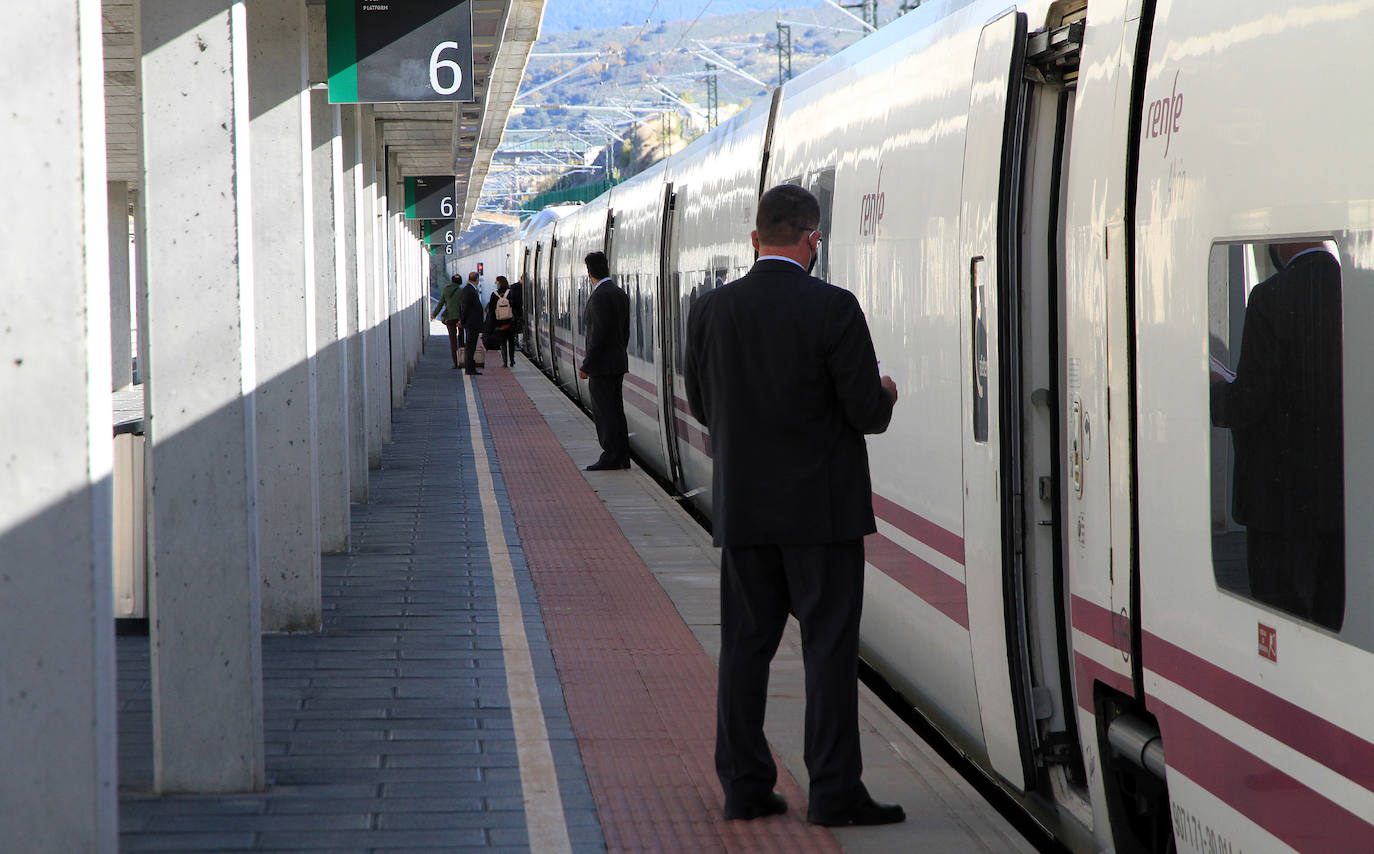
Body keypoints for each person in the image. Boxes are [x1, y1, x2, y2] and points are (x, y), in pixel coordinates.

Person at [684, 183, 903, 827]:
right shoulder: (834, 308)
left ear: (756, 239)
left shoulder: (711, 311)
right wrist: (885, 392)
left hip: (745, 510)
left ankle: (745, 786)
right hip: (823, 515)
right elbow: (866, 412)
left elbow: (703, 406)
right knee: (828, 649)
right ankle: (833, 792)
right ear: (813, 239)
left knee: (745, 649)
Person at [1211, 241, 1344, 630]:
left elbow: (1248, 402)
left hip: (1277, 503)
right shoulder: (1355, 292)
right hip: (1338, 503)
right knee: (1331, 618)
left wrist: (1217, 388)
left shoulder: (1270, 298)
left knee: (1279, 624)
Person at [578, 250, 631, 471]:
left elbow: (597, 336)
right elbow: (624, 332)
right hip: (617, 363)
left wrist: (586, 365)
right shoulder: (619, 293)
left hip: (602, 367)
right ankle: (621, 456)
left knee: (604, 412)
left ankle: (610, 455)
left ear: (589, 273)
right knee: (616, 411)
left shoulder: (599, 297)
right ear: (607, 268)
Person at [431, 273, 465, 370]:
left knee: (452, 340)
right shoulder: (461, 291)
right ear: (460, 282)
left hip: (449, 318)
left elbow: (440, 304)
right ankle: (462, 359)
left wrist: (434, 314)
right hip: (460, 319)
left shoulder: (446, 290)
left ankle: (455, 363)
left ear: (452, 281)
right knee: (461, 339)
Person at [485, 275, 518, 367]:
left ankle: (505, 362)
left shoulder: (494, 294)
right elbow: (515, 306)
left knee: (503, 342)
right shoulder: (510, 293)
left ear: (499, 283)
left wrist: (491, 324)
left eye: (496, 282)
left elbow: (491, 310)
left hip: (500, 322)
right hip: (510, 322)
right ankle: (512, 360)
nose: (496, 284)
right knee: (511, 341)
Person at [457, 270, 485, 376]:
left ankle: (471, 368)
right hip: (471, 323)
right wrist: (462, 321)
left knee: (471, 346)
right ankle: (470, 369)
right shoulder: (469, 290)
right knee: (470, 346)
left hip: (471, 323)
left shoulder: (469, 289)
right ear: (477, 280)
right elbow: (465, 308)